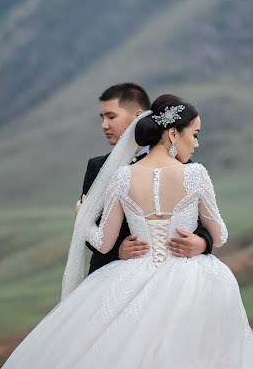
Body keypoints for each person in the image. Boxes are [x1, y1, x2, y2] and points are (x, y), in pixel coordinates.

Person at [1, 94, 253, 368]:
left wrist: (82, 218)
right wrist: (202, 242)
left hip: (131, 274)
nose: (196, 143)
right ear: (172, 134)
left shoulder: (122, 176)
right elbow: (219, 235)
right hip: (191, 278)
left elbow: (103, 243)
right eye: (194, 135)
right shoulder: (195, 174)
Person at [78, 83, 213, 274]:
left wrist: (201, 243)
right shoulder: (97, 167)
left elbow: (204, 221)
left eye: (111, 116)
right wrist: (118, 251)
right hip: (112, 276)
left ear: (137, 115)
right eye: (102, 117)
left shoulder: (183, 164)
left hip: (175, 275)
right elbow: (91, 230)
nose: (104, 125)